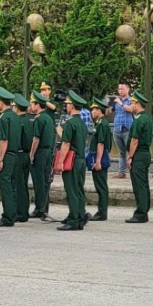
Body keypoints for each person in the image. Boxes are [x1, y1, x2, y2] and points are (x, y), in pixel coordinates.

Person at [55, 90, 89, 231]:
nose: (66, 106)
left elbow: (66, 144)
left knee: (72, 190)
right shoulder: (81, 123)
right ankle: (80, 215)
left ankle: (74, 220)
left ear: (72, 106)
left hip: (72, 160)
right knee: (79, 189)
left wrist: (60, 162)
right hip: (81, 160)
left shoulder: (69, 123)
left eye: (67, 104)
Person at [0, 86, 21, 227]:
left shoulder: (4, 118)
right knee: (13, 186)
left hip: (7, 155)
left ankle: (8, 216)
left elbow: (4, 140)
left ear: (1, 102)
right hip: (15, 154)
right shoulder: (16, 117)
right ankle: (13, 213)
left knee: (5, 187)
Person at [125, 90, 152, 224]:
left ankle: (140, 213)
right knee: (144, 184)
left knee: (139, 185)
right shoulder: (147, 118)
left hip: (138, 155)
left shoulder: (139, 120)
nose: (131, 105)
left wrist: (130, 157)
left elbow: (134, 140)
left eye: (132, 103)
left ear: (138, 104)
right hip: (145, 154)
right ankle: (144, 210)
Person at [29, 90, 55, 218]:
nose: (31, 106)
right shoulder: (48, 118)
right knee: (45, 181)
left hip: (40, 153)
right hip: (48, 152)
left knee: (38, 181)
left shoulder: (39, 119)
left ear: (37, 105)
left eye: (32, 104)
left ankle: (39, 208)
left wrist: (31, 155)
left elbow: (36, 139)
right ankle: (44, 208)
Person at [89, 97, 112, 221]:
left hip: (101, 157)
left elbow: (101, 143)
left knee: (101, 185)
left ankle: (102, 212)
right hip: (99, 155)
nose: (92, 112)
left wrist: (98, 161)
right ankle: (101, 211)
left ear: (100, 111)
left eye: (94, 109)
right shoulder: (99, 123)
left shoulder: (102, 124)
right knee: (99, 185)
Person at [13, 93, 33, 223]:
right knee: (24, 184)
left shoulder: (19, 122)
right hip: (26, 154)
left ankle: (20, 212)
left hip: (19, 154)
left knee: (18, 184)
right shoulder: (28, 120)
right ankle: (24, 210)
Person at [111, 82, 134, 178]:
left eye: (122, 89)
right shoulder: (116, 100)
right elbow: (109, 111)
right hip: (117, 128)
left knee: (131, 151)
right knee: (121, 152)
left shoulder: (131, 100)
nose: (120, 91)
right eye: (119, 89)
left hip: (127, 129)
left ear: (128, 89)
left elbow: (130, 109)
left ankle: (133, 171)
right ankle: (121, 172)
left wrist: (121, 104)